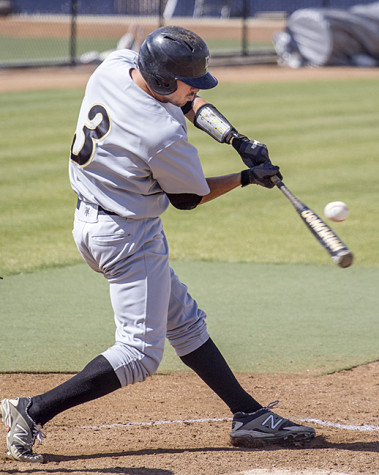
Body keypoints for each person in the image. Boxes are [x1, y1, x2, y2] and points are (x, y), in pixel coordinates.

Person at [1, 26, 315, 463]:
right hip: (128, 238)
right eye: (190, 81)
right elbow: (187, 197)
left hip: (91, 220)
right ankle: (32, 411)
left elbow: (187, 101)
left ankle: (248, 414)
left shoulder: (113, 68)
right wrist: (246, 177)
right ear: (166, 80)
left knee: (184, 321)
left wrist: (235, 139)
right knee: (139, 353)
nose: (196, 90)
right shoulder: (161, 134)